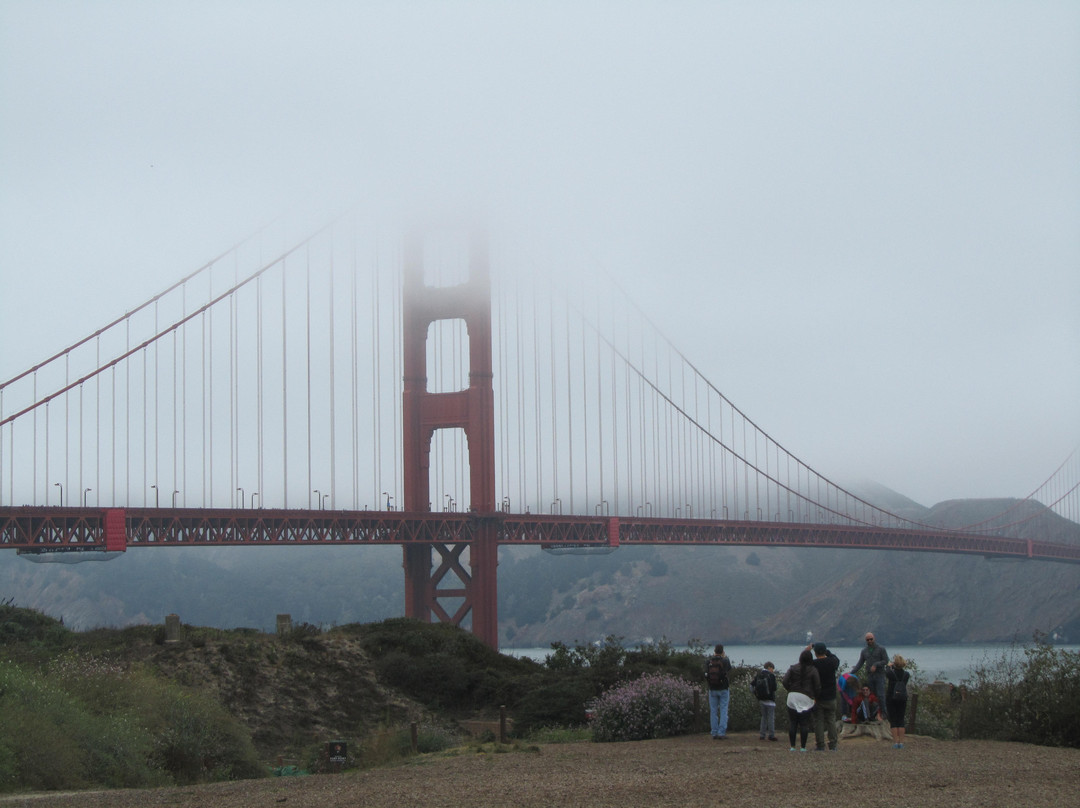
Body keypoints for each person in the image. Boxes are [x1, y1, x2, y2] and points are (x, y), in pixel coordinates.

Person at [782, 648, 821, 752]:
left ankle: (792, 746)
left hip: (792, 696)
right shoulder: (813, 670)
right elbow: (817, 686)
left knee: (793, 722)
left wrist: (790, 689)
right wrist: (815, 696)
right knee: (804, 723)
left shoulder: (793, 668)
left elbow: (785, 681)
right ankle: (803, 747)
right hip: (806, 697)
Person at [809, 642, 840, 751]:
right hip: (831, 696)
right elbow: (836, 658)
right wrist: (827, 651)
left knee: (819, 721)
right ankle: (833, 744)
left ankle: (820, 745)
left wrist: (808, 650)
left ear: (816, 653)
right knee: (831, 720)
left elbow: (803, 662)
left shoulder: (814, 664)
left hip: (818, 696)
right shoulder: (832, 662)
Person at [849, 632, 888, 708]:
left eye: (871, 639)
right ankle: (873, 714)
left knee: (881, 695)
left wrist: (876, 664)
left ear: (874, 638)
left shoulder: (881, 649)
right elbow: (860, 663)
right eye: (868, 640)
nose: (870, 641)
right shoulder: (864, 651)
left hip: (880, 675)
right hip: (870, 676)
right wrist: (851, 673)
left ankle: (883, 714)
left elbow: (885, 661)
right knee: (871, 695)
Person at [703, 644, 732, 739]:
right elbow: (729, 670)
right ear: (723, 651)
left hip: (712, 688)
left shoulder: (708, 661)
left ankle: (714, 732)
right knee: (723, 710)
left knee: (713, 711)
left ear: (714, 651)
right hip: (723, 688)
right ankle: (721, 732)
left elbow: (705, 674)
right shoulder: (725, 660)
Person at [885, 655, 911, 748]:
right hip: (903, 698)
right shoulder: (906, 675)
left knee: (893, 720)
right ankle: (902, 742)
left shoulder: (891, 674)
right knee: (901, 719)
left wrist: (889, 665)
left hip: (891, 697)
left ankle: (896, 742)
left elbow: (887, 671)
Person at [751, 662, 778, 741]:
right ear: (769, 667)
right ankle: (771, 735)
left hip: (761, 700)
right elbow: (775, 688)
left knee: (764, 717)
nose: (773, 671)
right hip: (770, 700)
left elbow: (751, 686)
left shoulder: (759, 675)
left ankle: (762, 735)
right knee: (771, 717)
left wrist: (756, 694)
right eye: (772, 669)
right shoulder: (771, 676)